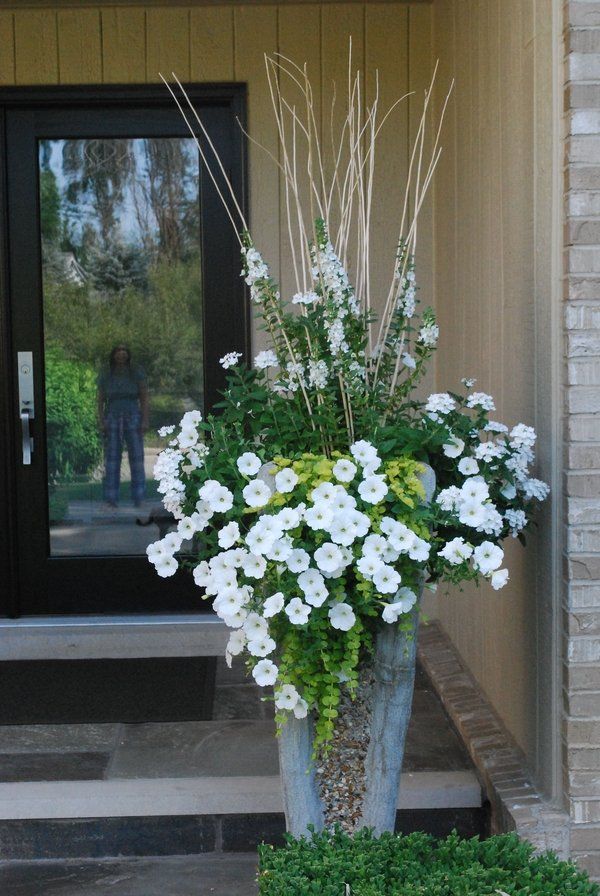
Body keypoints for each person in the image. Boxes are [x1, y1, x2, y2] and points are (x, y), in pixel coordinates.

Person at [97, 345, 149, 507]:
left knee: (137, 458)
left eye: (124, 351)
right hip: (112, 416)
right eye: (118, 352)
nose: (121, 354)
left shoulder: (136, 373)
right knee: (112, 459)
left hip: (133, 416)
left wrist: (145, 420)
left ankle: (139, 497)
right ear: (113, 355)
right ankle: (111, 499)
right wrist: (101, 420)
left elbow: (144, 398)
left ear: (128, 355)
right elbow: (100, 400)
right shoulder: (106, 374)